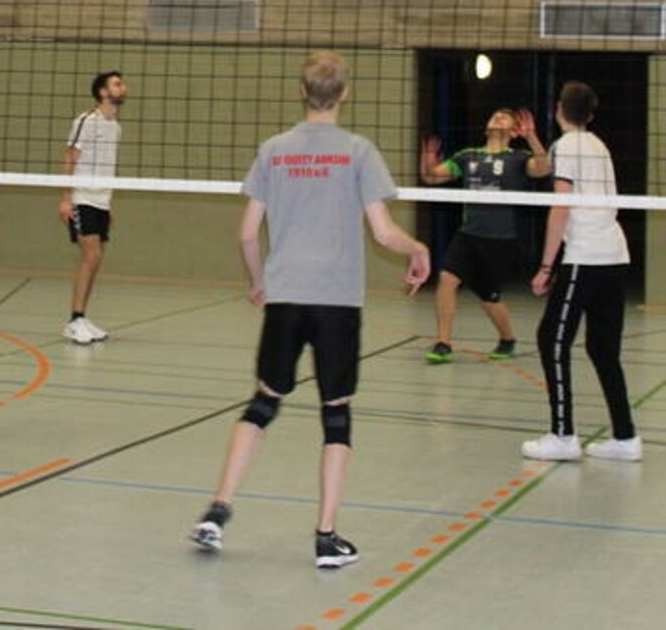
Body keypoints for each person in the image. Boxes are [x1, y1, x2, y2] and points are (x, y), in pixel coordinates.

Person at [188, 52, 429, 566]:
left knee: (263, 404)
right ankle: (326, 538)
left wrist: (259, 283)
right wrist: (419, 250)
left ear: (303, 92)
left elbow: (248, 233)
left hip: (286, 296)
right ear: (345, 93)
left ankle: (217, 511)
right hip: (336, 300)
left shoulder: (274, 149)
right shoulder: (359, 151)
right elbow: (384, 232)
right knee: (335, 414)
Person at [523, 82, 641, 461]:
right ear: (590, 115)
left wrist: (546, 266)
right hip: (614, 255)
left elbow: (562, 206)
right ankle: (625, 438)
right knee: (603, 349)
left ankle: (563, 436)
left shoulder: (568, 146)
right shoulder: (597, 144)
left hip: (585, 256)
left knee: (551, 340)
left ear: (558, 108)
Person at [420, 108, 551, 362]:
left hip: (500, 240)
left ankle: (507, 339)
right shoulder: (467, 157)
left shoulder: (519, 158)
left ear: (514, 131)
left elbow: (543, 169)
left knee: (489, 298)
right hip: (468, 235)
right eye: (494, 116)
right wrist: (427, 162)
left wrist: (532, 137)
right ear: (486, 127)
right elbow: (431, 177)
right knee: (446, 279)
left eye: (505, 118)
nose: (498, 118)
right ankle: (443, 343)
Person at [59, 71, 127, 344]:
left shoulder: (116, 127)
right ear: (102, 92)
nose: (123, 87)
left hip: (100, 201)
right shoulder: (87, 121)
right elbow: (69, 157)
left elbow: (107, 166)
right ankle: (74, 320)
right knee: (91, 255)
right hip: (82, 198)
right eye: (117, 83)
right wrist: (66, 198)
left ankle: (82, 317)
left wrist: (108, 204)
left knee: (96, 259)